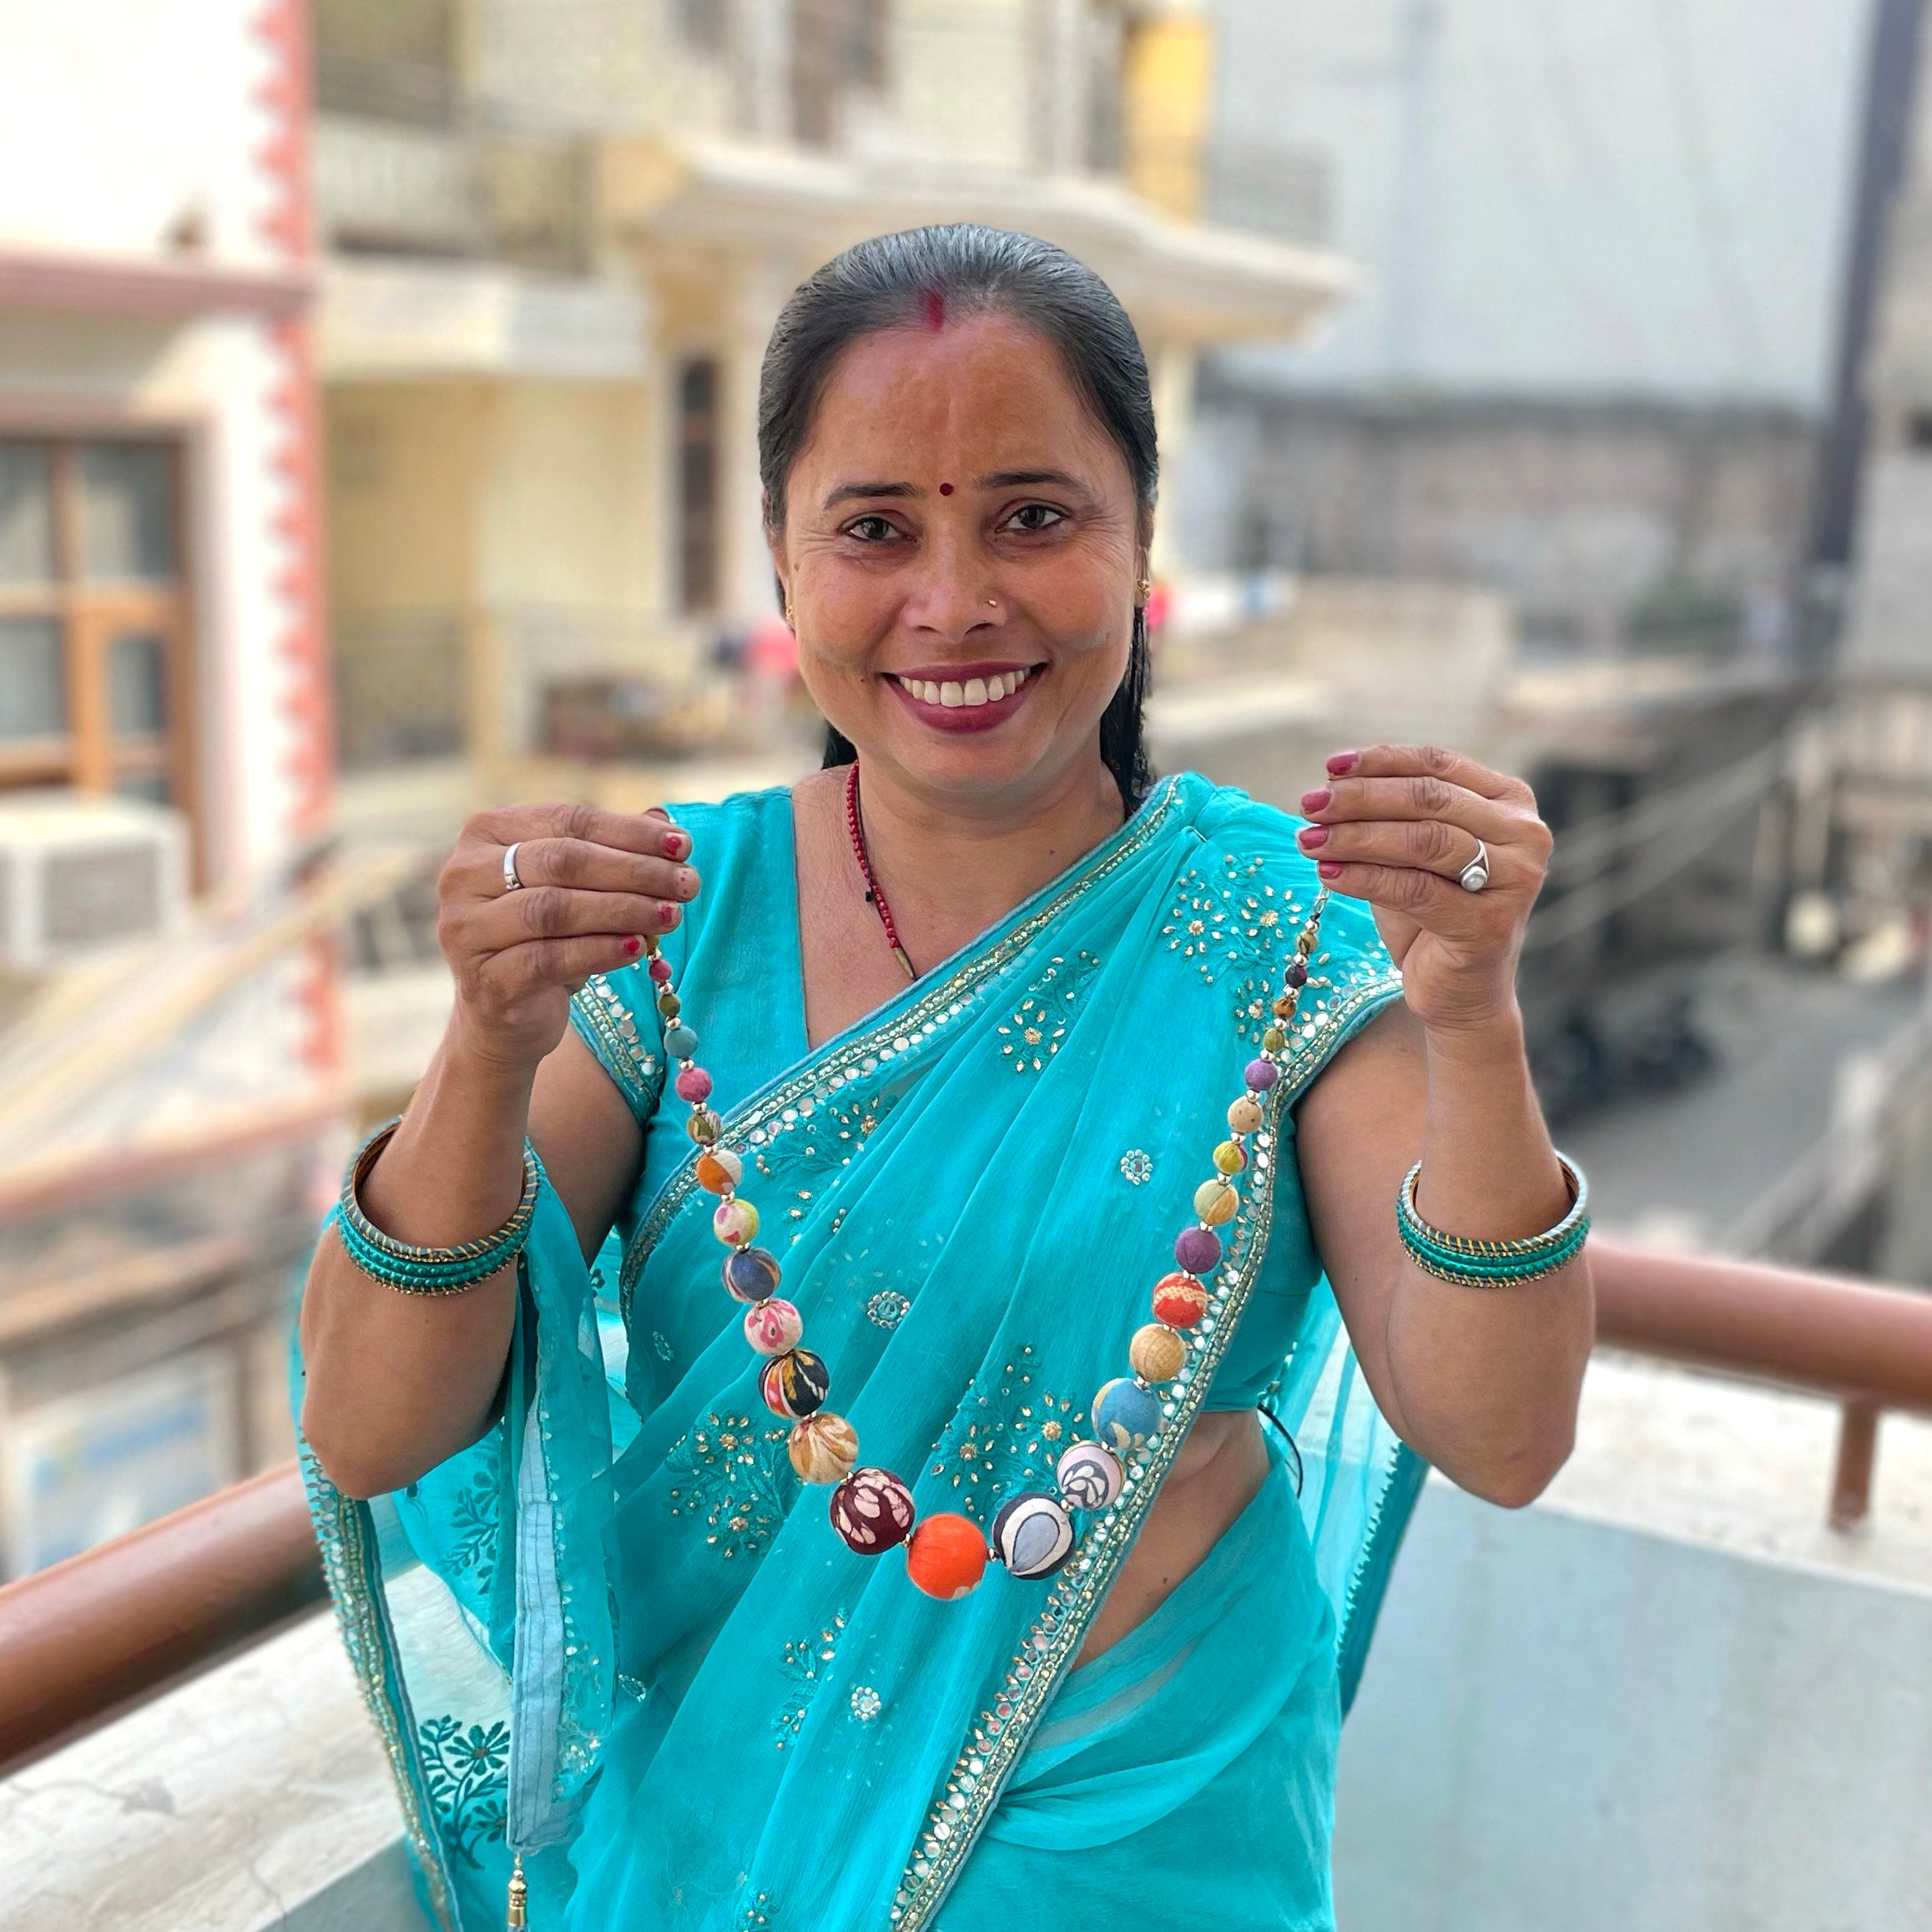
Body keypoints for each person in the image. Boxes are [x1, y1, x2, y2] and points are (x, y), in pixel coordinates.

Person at [297, 224, 1591, 1932]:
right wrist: (484, 1039)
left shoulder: (1275, 929)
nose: (957, 601)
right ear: (781, 565)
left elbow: (1501, 1437)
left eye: (1033, 518)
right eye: (876, 529)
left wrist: (1477, 1022)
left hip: (1156, 1826)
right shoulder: (670, 922)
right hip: (731, 1840)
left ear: (1141, 546)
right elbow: (369, 1425)